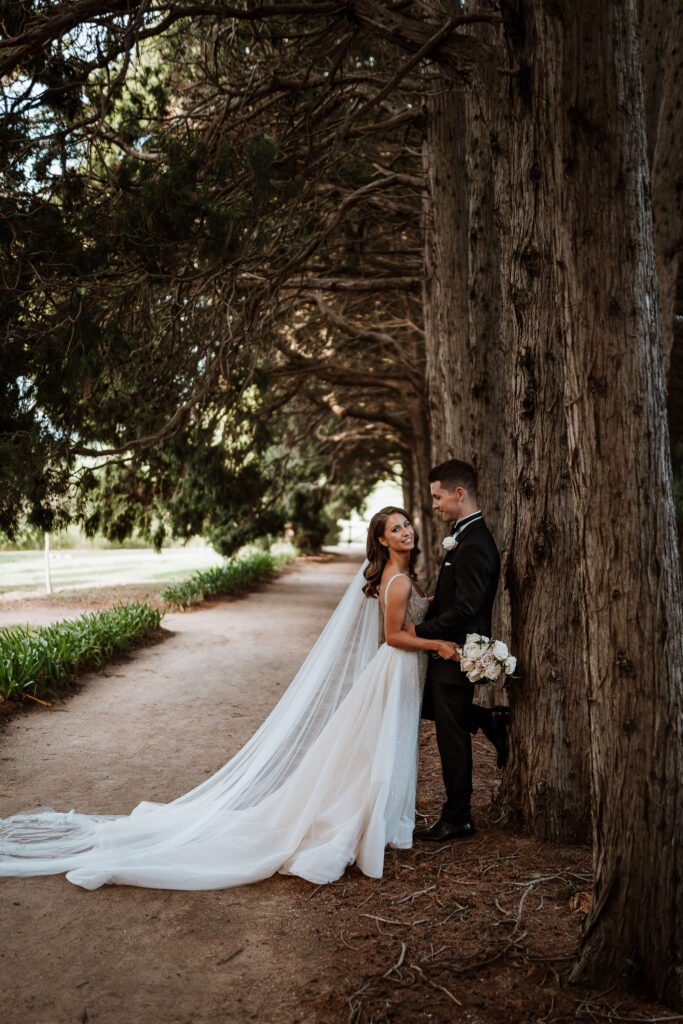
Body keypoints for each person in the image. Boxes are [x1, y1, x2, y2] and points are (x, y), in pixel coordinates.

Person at [0, 508, 457, 891]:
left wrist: (436, 601)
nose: (406, 531)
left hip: (398, 671)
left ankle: (378, 821)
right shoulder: (395, 580)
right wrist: (438, 645)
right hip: (396, 666)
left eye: (407, 525)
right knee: (377, 749)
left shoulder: (399, 577)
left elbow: (409, 613)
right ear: (381, 538)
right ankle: (369, 825)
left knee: (372, 750)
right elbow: (394, 635)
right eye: (396, 528)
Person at [406, 458, 509, 843]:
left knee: (451, 737)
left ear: (459, 494)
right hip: (450, 650)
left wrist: (419, 631)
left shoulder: (476, 543)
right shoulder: (463, 536)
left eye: (438, 496)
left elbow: (466, 610)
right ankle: (485, 718)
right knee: (423, 706)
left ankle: (458, 817)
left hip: (457, 653)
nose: (434, 504)